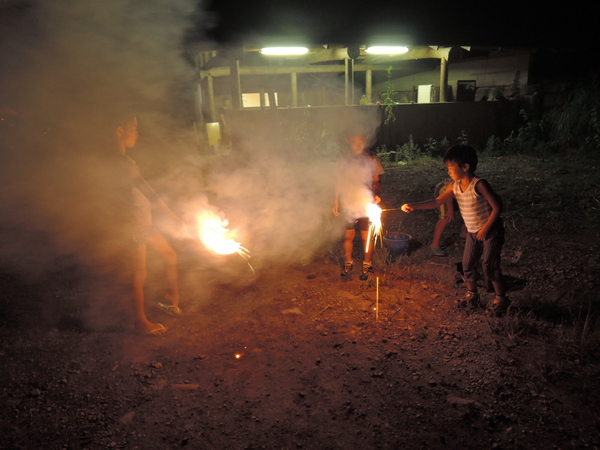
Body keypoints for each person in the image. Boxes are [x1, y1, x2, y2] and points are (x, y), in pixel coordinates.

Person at [401, 145, 509, 315]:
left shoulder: (479, 185)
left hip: (490, 232)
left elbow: (497, 207)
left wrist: (486, 229)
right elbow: (437, 202)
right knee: (467, 264)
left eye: (451, 168)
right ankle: (472, 296)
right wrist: (414, 206)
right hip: (473, 233)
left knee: (490, 265)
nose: (448, 172)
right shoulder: (454, 186)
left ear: (465, 167)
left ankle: (501, 299)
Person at [114, 114, 186, 336]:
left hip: (143, 221)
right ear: (119, 131)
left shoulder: (124, 159)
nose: (137, 133)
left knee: (170, 255)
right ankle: (140, 322)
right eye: (133, 128)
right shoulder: (119, 161)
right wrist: (169, 213)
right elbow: (143, 187)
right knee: (139, 274)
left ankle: (168, 300)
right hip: (134, 224)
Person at [333, 128, 385, 280]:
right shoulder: (343, 159)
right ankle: (348, 262)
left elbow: (377, 181)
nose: (358, 145)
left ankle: (367, 264)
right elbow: (338, 181)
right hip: (348, 203)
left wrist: (375, 194)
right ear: (347, 141)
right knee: (348, 235)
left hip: (365, 204)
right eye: (354, 142)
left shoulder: (371, 158)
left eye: (361, 141)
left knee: (366, 237)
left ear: (366, 139)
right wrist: (336, 201)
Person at [430, 178, 467, 256]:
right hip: (445, 191)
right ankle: (434, 245)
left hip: (458, 193)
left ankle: (463, 236)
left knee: (468, 212)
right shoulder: (456, 182)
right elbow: (448, 193)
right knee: (446, 217)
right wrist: (450, 210)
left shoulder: (476, 185)